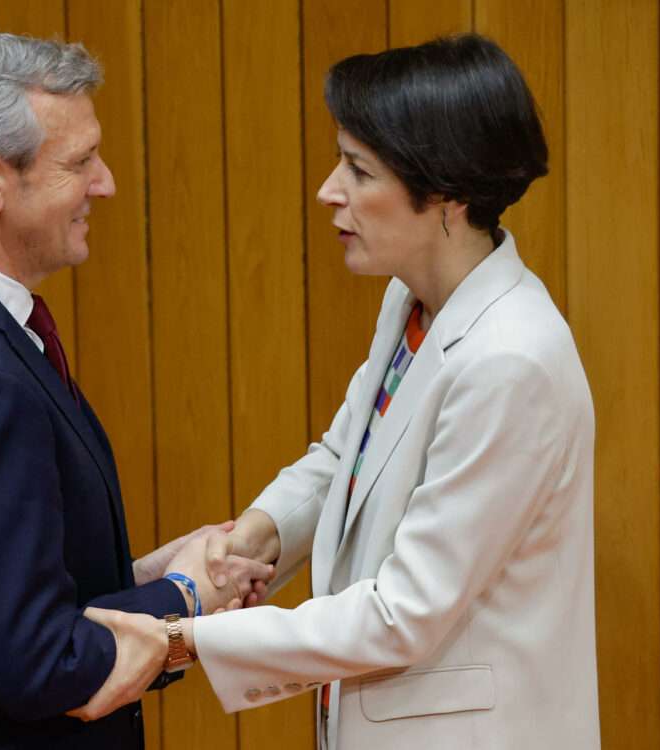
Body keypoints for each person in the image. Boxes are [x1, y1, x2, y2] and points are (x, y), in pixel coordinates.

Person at [70, 34, 600, 750]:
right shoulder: (409, 302)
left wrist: (180, 640)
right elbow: (344, 457)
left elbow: (405, 612)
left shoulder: (512, 361)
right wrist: (251, 540)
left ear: (445, 190)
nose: (329, 189)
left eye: (358, 169)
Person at [0, 32, 271, 750]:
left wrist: (148, 573)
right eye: (79, 162)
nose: (105, 183)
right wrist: (185, 598)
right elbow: (39, 664)